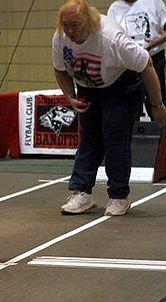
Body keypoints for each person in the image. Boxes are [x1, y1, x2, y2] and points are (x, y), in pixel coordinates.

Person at [53, 0, 166, 216]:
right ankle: (81, 192)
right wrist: (70, 96)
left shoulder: (111, 38)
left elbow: (147, 65)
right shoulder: (61, 39)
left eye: (74, 25)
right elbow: (60, 69)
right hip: (89, 87)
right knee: (89, 138)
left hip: (122, 84)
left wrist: (157, 105)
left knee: (115, 137)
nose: (69, 30)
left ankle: (119, 196)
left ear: (88, 21)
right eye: (65, 25)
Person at [108, 0, 166, 120]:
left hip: (154, 58)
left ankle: (161, 133)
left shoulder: (155, 2)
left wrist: (153, 43)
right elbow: (111, 38)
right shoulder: (114, 8)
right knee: (130, 105)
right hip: (129, 64)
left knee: (157, 101)